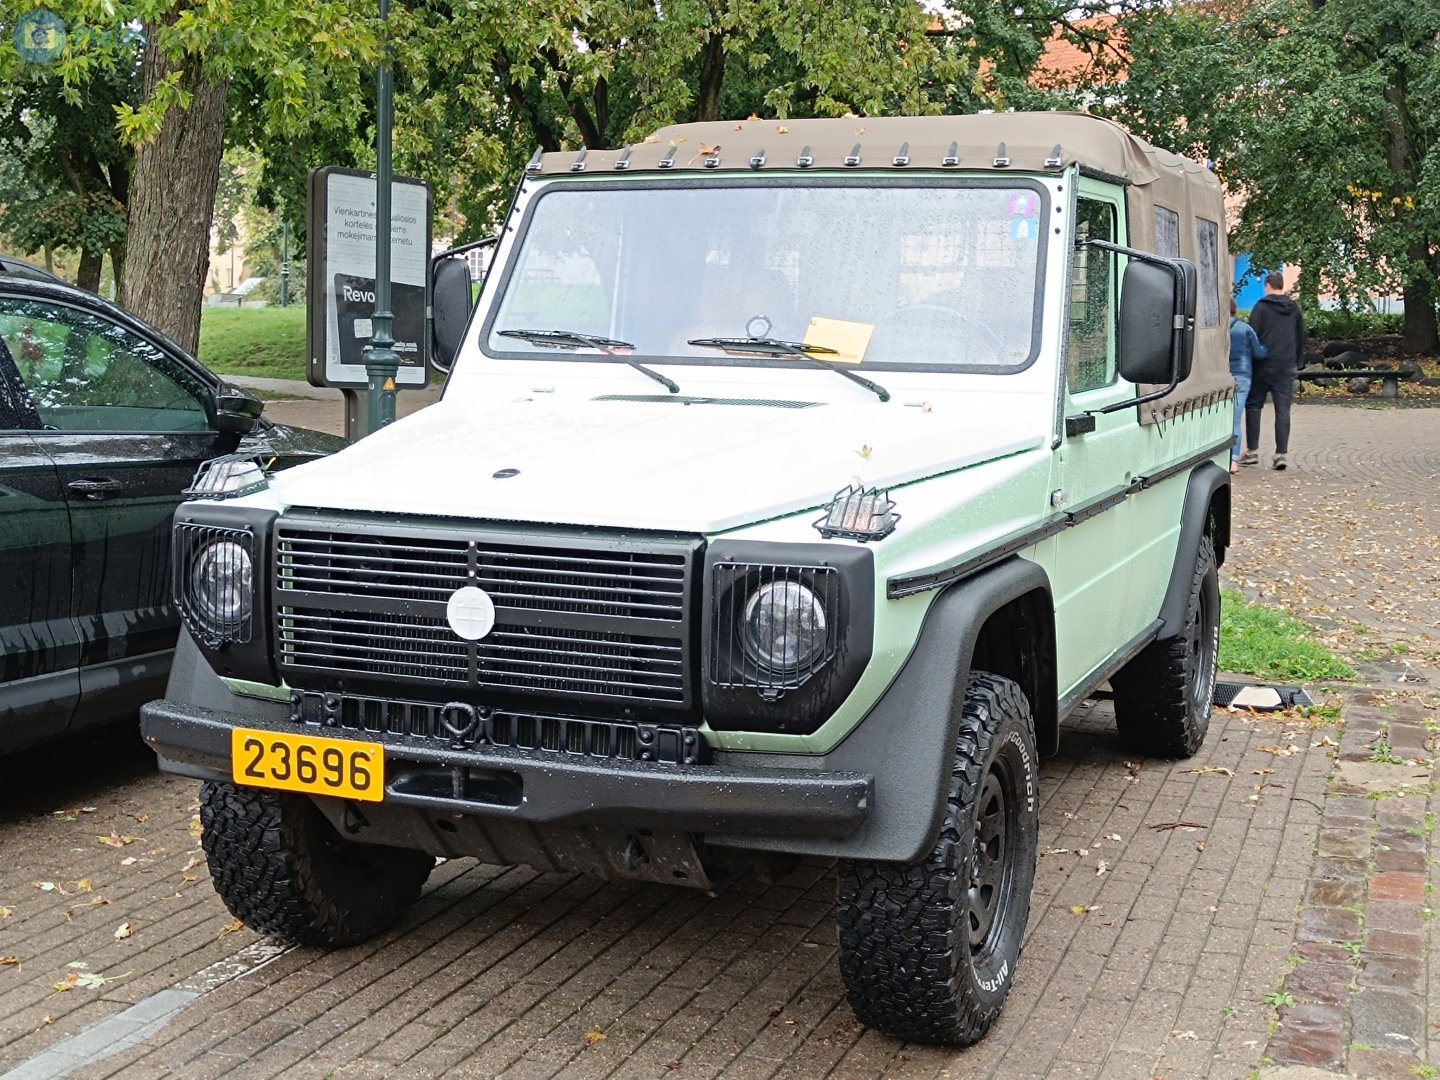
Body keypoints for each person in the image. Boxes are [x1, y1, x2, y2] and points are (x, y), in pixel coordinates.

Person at [1242, 271, 1306, 471]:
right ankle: (1281, 454)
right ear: (1282, 285)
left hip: (1262, 365)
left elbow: (1252, 335)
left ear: (1267, 285)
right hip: (1286, 366)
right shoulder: (1294, 309)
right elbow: (1300, 337)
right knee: (1283, 410)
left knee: (1254, 406)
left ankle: (1252, 451)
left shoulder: (1260, 307)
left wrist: (1250, 360)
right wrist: (1297, 362)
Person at [1227, 298, 1265, 473]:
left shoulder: (1214, 329)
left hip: (1219, 377)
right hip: (1241, 377)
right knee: (1235, 420)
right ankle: (1233, 461)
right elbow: (1259, 353)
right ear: (1235, 310)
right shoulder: (1245, 329)